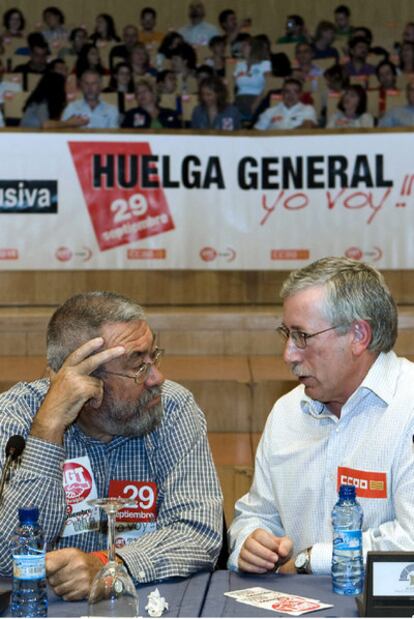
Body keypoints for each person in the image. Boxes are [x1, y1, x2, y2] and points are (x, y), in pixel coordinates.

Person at [0, 291, 222, 598]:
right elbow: (6, 558)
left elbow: (198, 533)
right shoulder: (16, 419)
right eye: (137, 365)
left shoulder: (171, 407)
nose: (157, 377)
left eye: (153, 356)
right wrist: (47, 430)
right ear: (85, 382)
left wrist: (110, 566)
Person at [228, 256, 414, 576]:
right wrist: (250, 542)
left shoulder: (407, 405)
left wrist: (311, 560)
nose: (288, 354)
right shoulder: (287, 411)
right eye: (286, 334)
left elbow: (410, 544)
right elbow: (256, 514)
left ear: (358, 335)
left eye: (302, 336)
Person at [234, 35, 271, 121]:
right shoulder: (239, 64)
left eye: (245, 45)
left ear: (253, 47)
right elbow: (233, 84)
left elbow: (268, 86)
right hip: (239, 100)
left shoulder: (265, 64)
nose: (241, 48)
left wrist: (256, 104)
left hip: (257, 99)